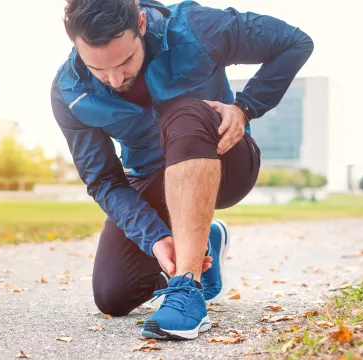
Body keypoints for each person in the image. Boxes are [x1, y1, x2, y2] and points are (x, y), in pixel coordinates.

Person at [51, 0, 313, 340]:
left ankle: (187, 288)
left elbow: (295, 42)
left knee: (185, 113)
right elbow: (104, 180)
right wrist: (155, 237)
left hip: (225, 160)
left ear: (141, 24)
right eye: (98, 68)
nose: (115, 79)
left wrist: (246, 107)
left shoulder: (195, 27)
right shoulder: (69, 92)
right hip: (153, 175)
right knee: (113, 295)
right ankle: (205, 242)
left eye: (125, 60)